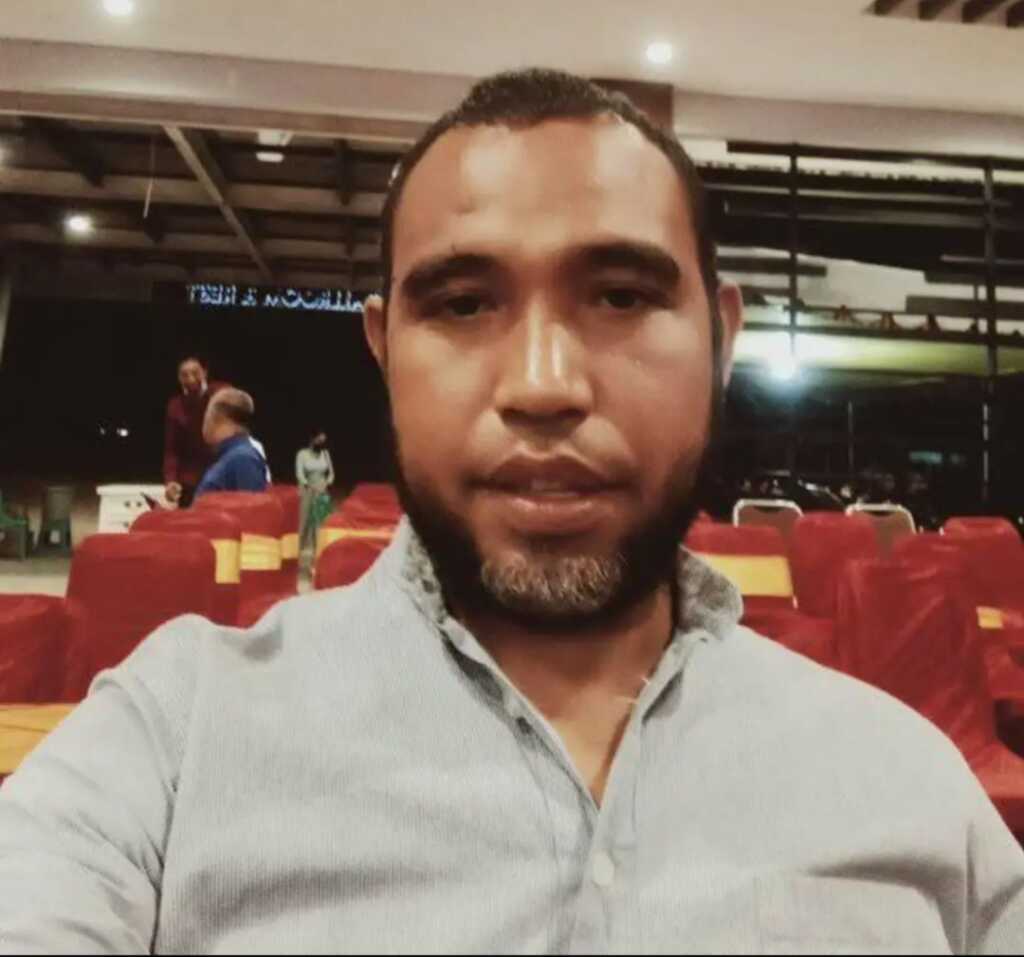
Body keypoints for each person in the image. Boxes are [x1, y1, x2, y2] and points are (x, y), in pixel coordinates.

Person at [1, 69, 1021, 954]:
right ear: (384, 349)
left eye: (620, 295)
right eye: (462, 304)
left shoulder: (908, 788)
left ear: (719, 340)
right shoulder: (173, 740)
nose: (542, 385)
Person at [162, 355, 228, 508]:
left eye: (195, 373)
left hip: (220, 477)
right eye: (184, 375)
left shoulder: (219, 393)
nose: (190, 378)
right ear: (179, 378)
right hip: (190, 483)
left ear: (205, 373)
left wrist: (206, 393)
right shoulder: (175, 406)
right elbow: (172, 449)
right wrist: (171, 480)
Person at [192, 388, 269, 500]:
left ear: (219, 417)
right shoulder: (232, 458)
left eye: (206, 414)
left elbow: (253, 509)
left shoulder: (242, 458)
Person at [295, 429, 335, 556]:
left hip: (322, 488)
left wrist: (327, 482)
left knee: (321, 520)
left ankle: (319, 549)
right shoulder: (302, 454)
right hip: (307, 488)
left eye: (324, 441)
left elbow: (331, 473)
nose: (322, 443)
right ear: (312, 439)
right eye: (320, 440)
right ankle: (300, 548)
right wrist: (307, 484)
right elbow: (299, 473)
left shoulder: (325, 454)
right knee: (305, 518)